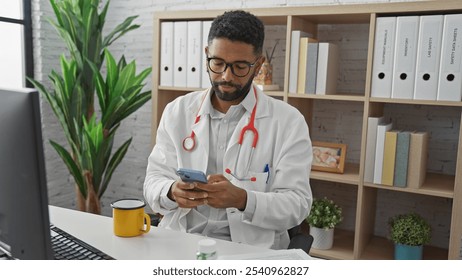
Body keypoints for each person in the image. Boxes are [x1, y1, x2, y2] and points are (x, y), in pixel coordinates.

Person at [144, 10, 313, 249]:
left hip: (250, 250)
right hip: (182, 241)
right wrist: (171, 191)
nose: (226, 76)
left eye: (240, 67)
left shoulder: (288, 122)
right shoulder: (177, 111)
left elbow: (297, 205)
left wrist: (244, 200)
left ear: (258, 65)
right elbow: (152, 182)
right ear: (206, 56)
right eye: (218, 63)